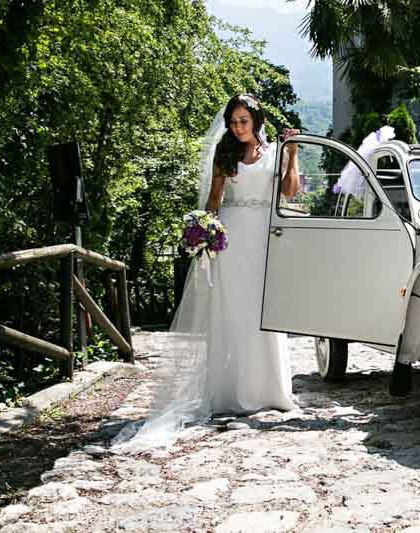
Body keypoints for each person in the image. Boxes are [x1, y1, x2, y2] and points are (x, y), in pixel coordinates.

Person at [117, 94, 301, 448]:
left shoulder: (277, 152)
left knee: (262, 311)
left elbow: (290, 192)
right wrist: (205, 234)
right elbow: (214, 201)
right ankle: (230, 392)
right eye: (233, 122)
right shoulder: (225, 153)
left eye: (243, 121)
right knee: (232, 312)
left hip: (264, 239)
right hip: (231, 240)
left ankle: (270, 390)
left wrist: (292, 153)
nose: (237, 127)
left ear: (257, 121)